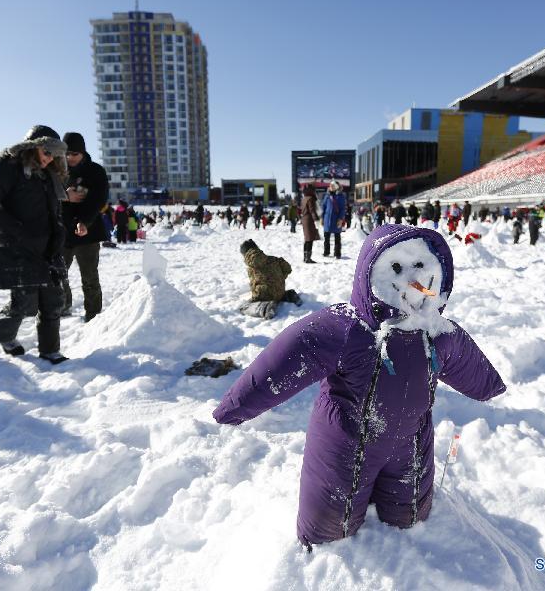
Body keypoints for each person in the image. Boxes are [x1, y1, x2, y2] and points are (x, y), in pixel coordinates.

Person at [213, 225, 505, 548]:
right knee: (327, 530)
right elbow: (290, 354)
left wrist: (490, 386)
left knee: (410, 519)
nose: (412, 277)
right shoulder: (350, 330)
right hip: (344, 447)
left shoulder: (436, 333)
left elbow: (469, 363)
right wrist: (236, 406)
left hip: (410, 444)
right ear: (373, 273)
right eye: (396, 267)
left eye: (421, 266)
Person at [0, 125, 69, 364]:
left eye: (54, 154)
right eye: (47, 152)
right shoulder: (9, 169)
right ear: (32, 147)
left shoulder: (48, 174)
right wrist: (17, 230)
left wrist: (59, 233)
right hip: (20, 247)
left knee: (53, 301)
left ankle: (50, 350)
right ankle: (4, 334)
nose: (50, 158)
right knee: (25, 302)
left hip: (47, 246)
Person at [60, 132, 108, 322]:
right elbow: (46, 197)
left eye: (75, 154)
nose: (70, 158)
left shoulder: (95, 171)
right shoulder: (57, 171)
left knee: (89, 277)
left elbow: (98, 200)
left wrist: (84, 221)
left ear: (83, 152)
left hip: (88, 232)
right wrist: (64, 195)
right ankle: (63, 305)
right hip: (62, 232)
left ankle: (93, 314)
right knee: (58, 274)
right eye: (67, 154)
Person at [237, 239, 303, 319]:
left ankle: (264, 308)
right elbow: (288, 268)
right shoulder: (273, 259)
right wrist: (279, 278)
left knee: (243, 307)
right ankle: (289, 296)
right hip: (280, 292)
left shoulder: (251, 266)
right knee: (276, 291)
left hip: (265, 297)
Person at [322, 180, 346, 258]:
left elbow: (342, 209)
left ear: (336, 187)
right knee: (326, 237)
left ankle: (337, 253)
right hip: (327, 219)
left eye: (332, 186)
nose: (330, 187)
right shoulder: (327, 196)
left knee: (337, 237)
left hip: (336, 219)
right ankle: (326, 252)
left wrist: (340, 219)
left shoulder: (341, 196)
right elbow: (323, 207)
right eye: (330, 186)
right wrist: (322, 218)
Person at [301, 185, 320, 263]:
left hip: (304, 220)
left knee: (307, 239)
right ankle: (308, 258)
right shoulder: (310, 199)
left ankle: (305, 257)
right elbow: (312, 210)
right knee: (310, 239)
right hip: (309, 220)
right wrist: (316, 219)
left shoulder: (304, 198)